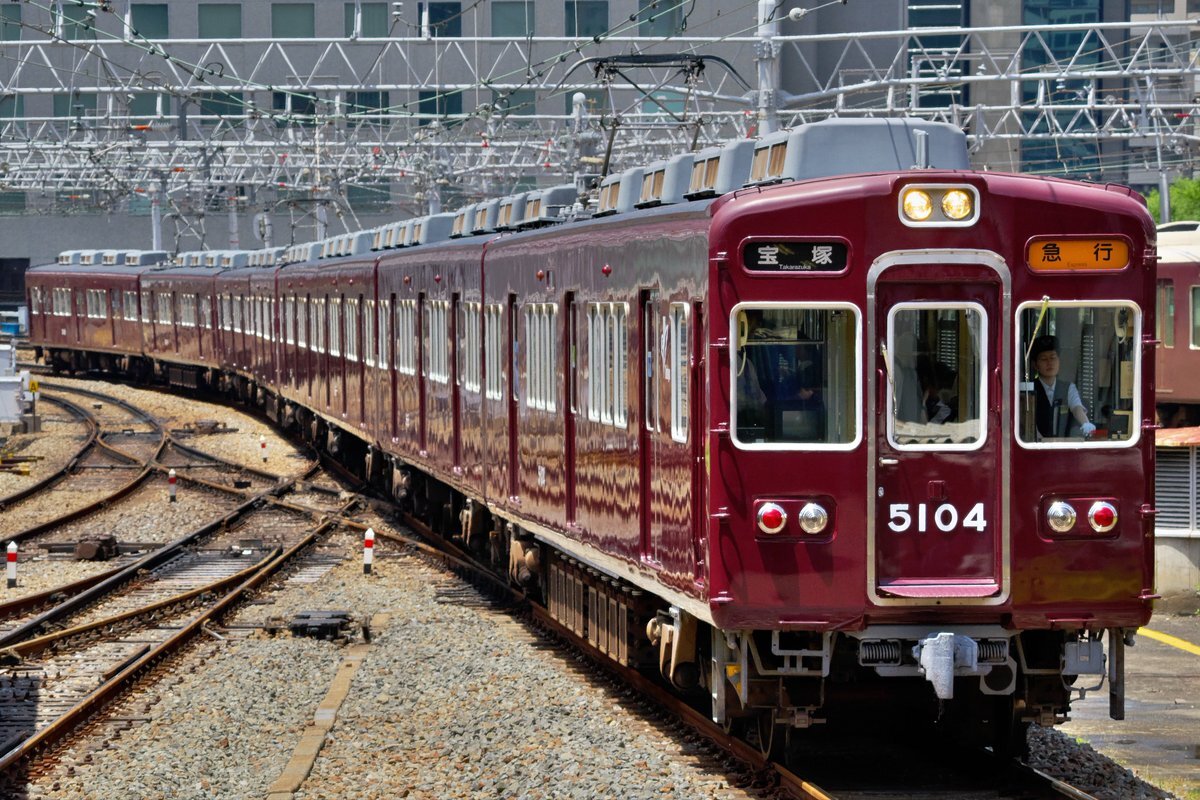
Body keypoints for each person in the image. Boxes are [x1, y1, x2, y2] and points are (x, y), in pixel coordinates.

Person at [1029, 335, 1096, 439]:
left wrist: (1086, 423)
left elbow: (1077, 408)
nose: (1049, 363)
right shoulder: (1029, 389)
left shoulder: (1068, 388)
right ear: (1035, 365)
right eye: (1043, 359)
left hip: (1063, 445)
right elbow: (1029, 422)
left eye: (1053, 357)